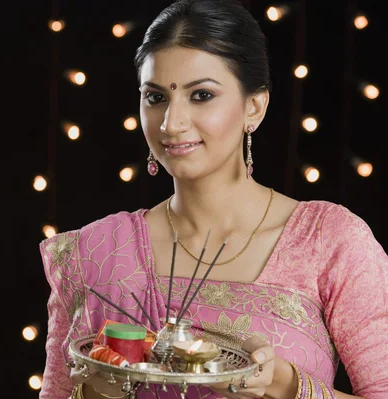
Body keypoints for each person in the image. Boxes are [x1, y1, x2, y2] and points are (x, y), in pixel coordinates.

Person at [38, 0, 388, 398]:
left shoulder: (329, 241)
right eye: (155, 98)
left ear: (254, 107)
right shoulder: (94, 253)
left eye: (201, 95)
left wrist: (284, 385)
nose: (172, 123)